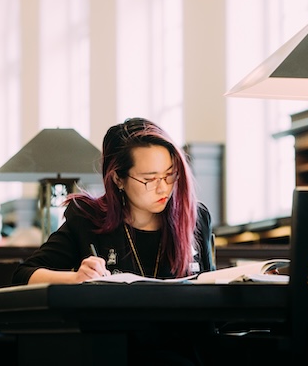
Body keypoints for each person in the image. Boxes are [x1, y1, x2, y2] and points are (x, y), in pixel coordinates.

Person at [12, 117, 216, 364]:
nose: (163, 188)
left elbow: (210, 291)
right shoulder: (88, 219)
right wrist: (77, 278)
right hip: (115, 349)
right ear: (118, 178)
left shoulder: (194, 217)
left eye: (170, 175)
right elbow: (24, 275)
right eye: (149, 179)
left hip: (186, 349)